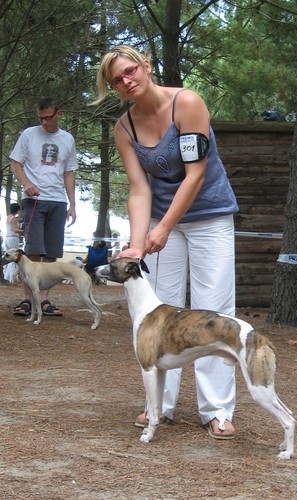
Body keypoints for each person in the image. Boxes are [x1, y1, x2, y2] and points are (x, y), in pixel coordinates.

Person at [93, 45, 239, 439]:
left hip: (208, 215)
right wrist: (140, 242)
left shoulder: (187, 103)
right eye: (116, 80)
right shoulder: (124, 128)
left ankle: (217, 409)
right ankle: (161, 408)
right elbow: (139, 190)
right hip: (160, 219)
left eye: (129, 71)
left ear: (146, 66)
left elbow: (194, 175)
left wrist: (162, 230)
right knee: (158, 309)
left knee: (215, 309)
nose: (126, 81)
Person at [10, 97, 77, 316]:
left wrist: (72, 204)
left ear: (59, 114)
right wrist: (26, 183)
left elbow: (69, 173)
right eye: (41, 118)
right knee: (32, 251)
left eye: (48, 117)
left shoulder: (67, 139)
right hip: (34, 199)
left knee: (50, 252)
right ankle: (28, 300)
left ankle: (45, 301)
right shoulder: (29, 134)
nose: (44, 122)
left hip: (58, 201)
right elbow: (16, 164)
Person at [4, 202, 23, 282]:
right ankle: (12, 277)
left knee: (8, 256)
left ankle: (7, 276)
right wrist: (23, 231)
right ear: (17, 210)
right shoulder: (14, 219)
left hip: (7, 238)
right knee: (14, 257)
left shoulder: (8, 217)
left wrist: (20, 220)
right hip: (13, 238)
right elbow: (15, 230)